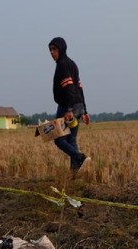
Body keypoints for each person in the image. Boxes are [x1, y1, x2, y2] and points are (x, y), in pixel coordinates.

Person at [48, 37, 91, 176]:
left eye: (54, 49)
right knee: (71, 139)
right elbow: (79, 88)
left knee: (59, 140)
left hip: (67, 106)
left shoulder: (63, 65)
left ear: (61, 48)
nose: (52, 53)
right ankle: (75, 171)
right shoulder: (72, 63)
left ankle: (80, 157)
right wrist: (84, 110)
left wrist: (69, 110)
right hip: (78, 106)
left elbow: (70, 88)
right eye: (50, 50)